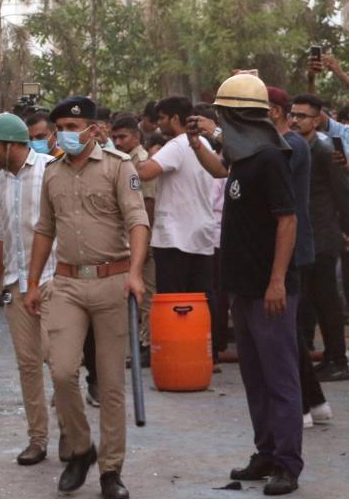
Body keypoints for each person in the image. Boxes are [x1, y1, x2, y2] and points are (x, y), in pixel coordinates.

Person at [23, 95, 150, 499]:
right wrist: (30, 283)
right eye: (60, 128)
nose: (65, 135)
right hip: (67, 284)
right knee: (61, 371)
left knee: (111, 383)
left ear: (94, 130)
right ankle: (80, 449)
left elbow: (137, 221)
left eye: (73, 128)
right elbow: (44, 229)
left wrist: (135, 274)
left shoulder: (119, 167)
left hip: (113, 281)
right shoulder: (52, 173)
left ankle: (111, 471)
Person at [200, 74, 302, 496]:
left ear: (235, 115)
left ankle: (287, 464)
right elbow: (219, 171)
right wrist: (195, 142)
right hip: (243, 287)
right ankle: (266, 452)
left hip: (269, 290)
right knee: (255, 376)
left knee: (279, 378)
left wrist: (277, 281)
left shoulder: (271, 159)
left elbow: (288, 220)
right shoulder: (243, 158)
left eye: (222, 114)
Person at [0, 113, 59, 466]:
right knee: (28, 366)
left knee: (61, 366)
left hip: (54, 282)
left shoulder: (51, 171)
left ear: (12, 144)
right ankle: (37, 439)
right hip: (15, 283)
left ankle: (72, 435)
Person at [257, 88, 331, 427]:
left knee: (287, 332)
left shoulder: (293, 146)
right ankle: (313, 402)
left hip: (293, 250)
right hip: (287, 248)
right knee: (292, 332)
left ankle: (300, 407)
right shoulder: (283, 146)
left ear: (273, 112)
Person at [289, 93, 349, 382]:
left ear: (316, 120)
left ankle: (337, 359)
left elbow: (341, 193)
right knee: (309, 299)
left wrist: (345, 230)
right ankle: (327, 358)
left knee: (327, 302)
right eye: (293, 114)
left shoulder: (326, 151)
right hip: (305, 235)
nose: (295, 119)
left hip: (323, 236)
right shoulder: (296, 147)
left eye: (302, 116)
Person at [134, 96, 219, 299]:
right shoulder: (203, 142)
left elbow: (145, 172)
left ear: (174, 119)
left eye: (162, 118)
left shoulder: (178, 144)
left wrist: (124, 164)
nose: (158, 123)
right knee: (198, 301)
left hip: (175, 238)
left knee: (174, 304)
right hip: (200, 235)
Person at [110, 116, 158, 366]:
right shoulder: (121, 162)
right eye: (115, 138)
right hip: (129, 239)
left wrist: (143, 241)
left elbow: (147, 205)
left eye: (123, 137)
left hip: (142, 239)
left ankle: (148, 345)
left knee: (147, 294)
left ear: (136, 136)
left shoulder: (142, 163)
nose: (118, 142)